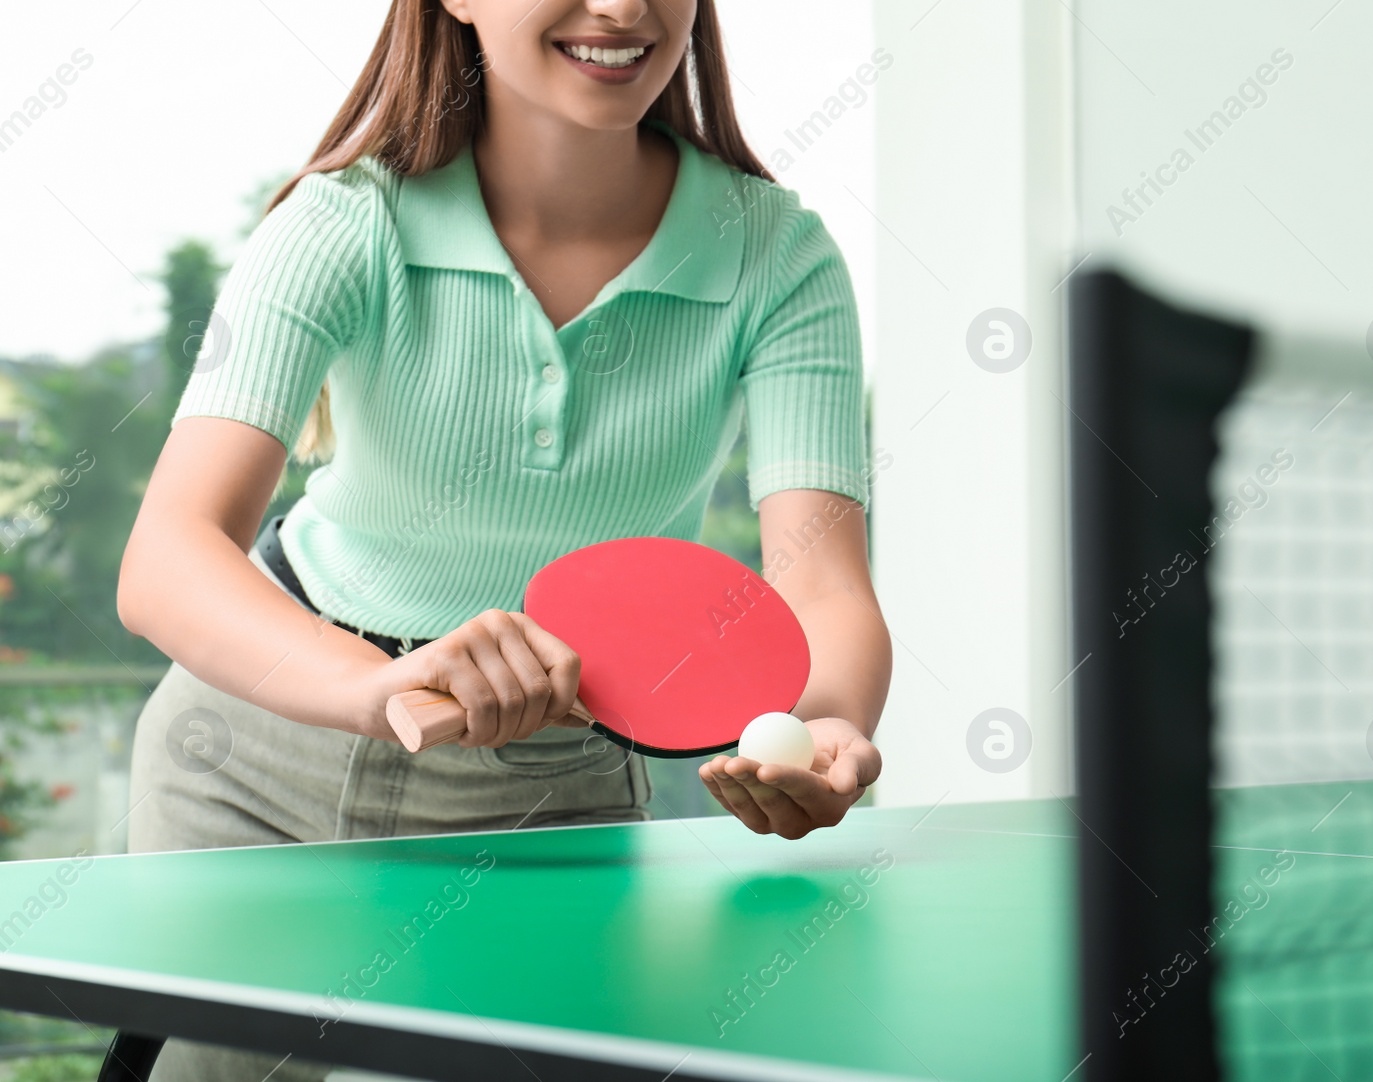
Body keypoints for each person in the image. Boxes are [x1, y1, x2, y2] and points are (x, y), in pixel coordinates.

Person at [116, 1, 891, 1077]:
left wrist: (826, 729)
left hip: (549, 793)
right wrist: (385, 691)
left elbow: (823, 577)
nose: (620, 8)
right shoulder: (343, 223)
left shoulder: (778, 256)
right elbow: (167, 557)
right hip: (253, 759)